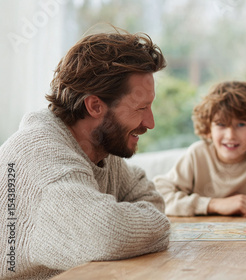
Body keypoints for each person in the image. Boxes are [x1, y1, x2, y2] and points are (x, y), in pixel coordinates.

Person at [0, 30, 170, 279]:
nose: (150, 122)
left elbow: (145, 193)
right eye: (141, 108)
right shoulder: (44, 161)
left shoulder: (98, 150)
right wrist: (157, 226)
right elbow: (107, 235)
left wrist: (140, 224)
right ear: (95, 106)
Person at [154, 81, 246, 217]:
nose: (230, 135)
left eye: (241, 124)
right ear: (208, 129)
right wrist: (213, 204)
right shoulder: (197, 155)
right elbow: (159, 196)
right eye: (221, 124)